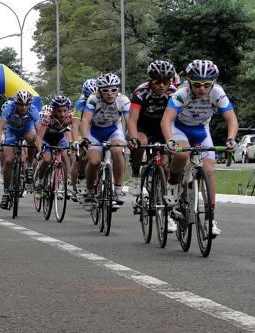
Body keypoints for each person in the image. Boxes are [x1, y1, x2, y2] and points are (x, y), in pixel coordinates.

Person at [160, 60, 239, 237]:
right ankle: (172, 184)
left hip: (201, 130)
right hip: (179, 128)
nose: (201, 89)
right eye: (196, 84)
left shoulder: (218, 93)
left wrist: (230, 139)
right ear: (189, 82)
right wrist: (170, 140)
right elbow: (166, 120)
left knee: (209, 171)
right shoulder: (181, 94)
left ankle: (210, 220)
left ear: (213, 83)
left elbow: (231, 119)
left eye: (206, 85)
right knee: (183, 154)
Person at [80, 73, 132, 209]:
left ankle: (119, 189)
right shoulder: (93, 99)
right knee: (94, 161)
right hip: (95, 132)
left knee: (117, 151)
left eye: (113, 90)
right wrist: (84, 138)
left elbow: (129, 121)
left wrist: (133, 137)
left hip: (114, 130)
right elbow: (85, 119)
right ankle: (90, 192)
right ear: (99, 91)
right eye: (105, 90)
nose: (110, 94)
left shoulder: (123, 100)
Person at [129, 61, 177, 194]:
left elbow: (177, 118)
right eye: (157, 82)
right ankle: (135, 173)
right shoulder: (141, 92)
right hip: (142, 126)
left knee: (166, 166)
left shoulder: (174, 93)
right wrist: (133, 138)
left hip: (162, 127)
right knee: (141, 142)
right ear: (151, 81)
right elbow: (132, 120)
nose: (162, 85)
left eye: (166, 82)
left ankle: (163, 192)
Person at [0, 90, 40, 209]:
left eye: (26, 104)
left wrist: (41, 145)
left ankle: (29, 165)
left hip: (27, 129)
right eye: (20, 104)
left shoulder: (34, 110)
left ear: (30, 104)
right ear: (16, 103)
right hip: (11, 131)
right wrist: (0, 138)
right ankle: (5, 192)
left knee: (33, 138)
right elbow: (0, 126)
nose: (24, 107)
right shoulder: (9, 108)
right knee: (9, 160)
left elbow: (39, 130)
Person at [34, 96, 73, 199]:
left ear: (68, 110)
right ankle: (40, 182)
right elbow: (39, 137)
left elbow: (70, 133)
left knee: (65, 155)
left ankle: (65, 183)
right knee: (47, 160)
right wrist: (39, 150)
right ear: (54, 110)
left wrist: (71, 145)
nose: (62, 114)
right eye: (59, 111)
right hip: (47, 139)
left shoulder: (70, 118)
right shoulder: (48, 118)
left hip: (59, 138)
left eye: (65, 110)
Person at [70, 78, 98, 202]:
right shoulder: (80, 103)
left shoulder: (102, 99)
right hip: (85, 128)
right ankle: (81, 177)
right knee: (82, 151)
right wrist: (76, 140)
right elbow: (75, 124)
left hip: (98, 128)